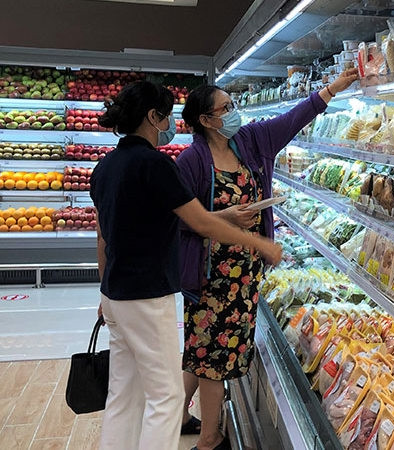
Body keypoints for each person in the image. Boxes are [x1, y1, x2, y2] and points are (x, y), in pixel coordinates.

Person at [91, 80, 282, 450]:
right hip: (148, 296)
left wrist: (103, 290)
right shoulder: (156, 165)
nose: (170, 125)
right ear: (152, 117)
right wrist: (258, 242)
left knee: (123, 395)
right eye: (165, 116)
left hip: (115, 295)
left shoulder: (106, 167)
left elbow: (101, 239)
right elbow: (201, 221)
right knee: (165, 399)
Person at [176, 68, 358, 450]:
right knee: (212, 356)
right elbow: (181, 222)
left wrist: (333, 89)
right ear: (207, 120)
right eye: (227, 107)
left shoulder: (251, 140)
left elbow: (293, 119)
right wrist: (226, 219)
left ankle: (174, 412)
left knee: (206, 349)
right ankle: (209, 440)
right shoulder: (191, 162)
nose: (235, 111)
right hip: (210, 276)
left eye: (234, 104)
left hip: (244, 277)